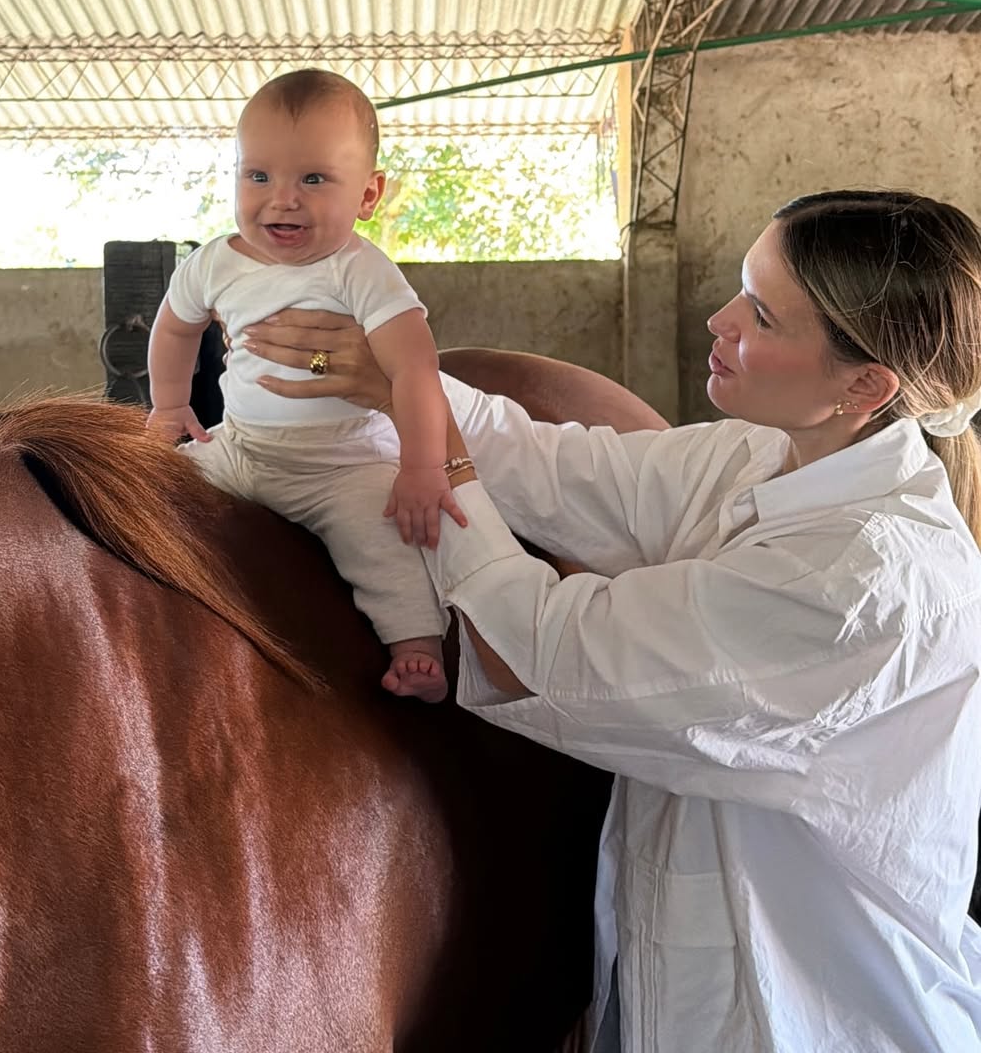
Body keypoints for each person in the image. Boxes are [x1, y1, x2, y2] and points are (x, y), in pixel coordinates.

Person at [241, 188, 981, 1052]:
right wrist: (400, 377)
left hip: (802, 1023)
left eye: (763, 316)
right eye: (742, 289)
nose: (719, 319)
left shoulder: (859, 583)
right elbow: (556, 469)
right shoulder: (760, 458)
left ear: (865, 385)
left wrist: (424, 448)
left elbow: (545, 651)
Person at [146, 69, 465, 703]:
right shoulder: (214, 262)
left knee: (386, 541)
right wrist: (170, 404)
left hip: (340, 463)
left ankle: (416, 647)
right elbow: (175, 328)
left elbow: (414, 370)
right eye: (257, 176)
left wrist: (423, 466)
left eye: (313, 179)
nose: (282, 199)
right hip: (240, 450)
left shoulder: (362, 272)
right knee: (156, 492)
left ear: (369, 195)